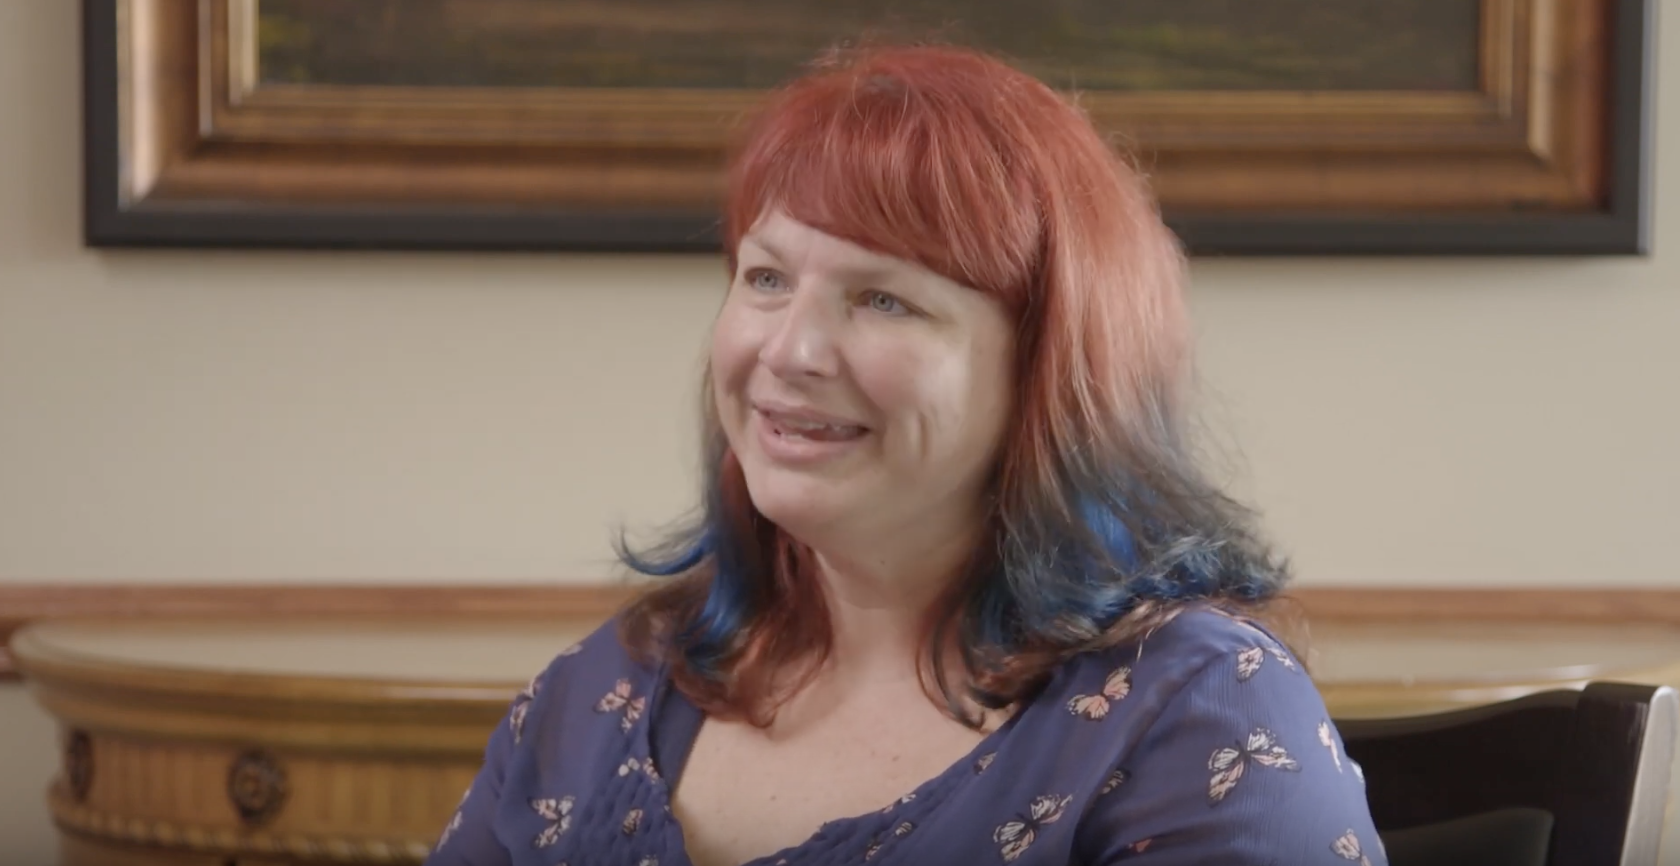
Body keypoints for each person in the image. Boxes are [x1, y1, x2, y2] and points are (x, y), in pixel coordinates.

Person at [426, 43, 1384, 866]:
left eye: (884, 298)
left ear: (1047, 370)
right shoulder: (612, 683)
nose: (789, 350)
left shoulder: (1201, 715)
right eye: (766, 278)